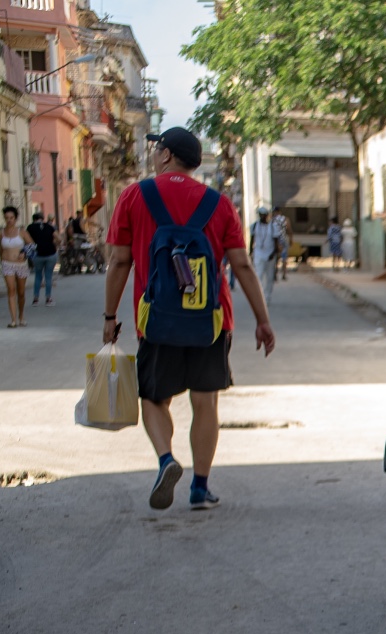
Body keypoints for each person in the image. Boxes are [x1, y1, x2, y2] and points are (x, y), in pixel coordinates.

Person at [102, 127, 276, 512]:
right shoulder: (219, 203)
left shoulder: (135, 195)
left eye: (156, 149)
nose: (153, 156)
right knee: (205, 402)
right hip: (210, 320)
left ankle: (166, 459)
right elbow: (242, 265)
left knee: (153, 397)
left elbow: (118, 261)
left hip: (156, 319)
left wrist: (111, 316)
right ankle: (200, 487)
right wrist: (262, 320)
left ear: (165, 155)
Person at [0, 207, 29, 327]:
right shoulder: (1, 233)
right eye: (7, 218)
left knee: (21, 292)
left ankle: (21, 316)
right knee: (11, 290)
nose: (9, 220)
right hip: (7, 264)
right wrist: (1, 260)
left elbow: (32, 245)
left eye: (11, 218)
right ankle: (13, 320)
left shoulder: (22, 232)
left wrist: (24, 253)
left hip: (21, 265)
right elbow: (1, 248)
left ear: (15, 218)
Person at [27, 210, 59, 305]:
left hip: (37, 255)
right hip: (50, 254)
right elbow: (59, 238)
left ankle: (35, 299)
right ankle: (48, 298)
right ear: (43, 219)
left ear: (33, 219)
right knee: (48, 276)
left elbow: (27, 241)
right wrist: (55, 244)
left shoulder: (30, 227)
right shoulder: (49, 226)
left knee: (38, 276)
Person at [249, 206, 279, 303]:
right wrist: (251, 253)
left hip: (270, 254)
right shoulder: (254, 226)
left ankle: (267, 296)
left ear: (267, 215)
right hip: (258, 253)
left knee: (269, 277)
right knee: (258, 275)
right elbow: (252, 240)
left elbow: (276, 242)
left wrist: (274, 254)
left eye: (263, 215)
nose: (262, 217)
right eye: (260, 215)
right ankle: (259, 297)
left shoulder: (273, 227)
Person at [271, 210, 290, 279]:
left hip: (275, 240)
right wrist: (291, 238)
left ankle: (275, 274)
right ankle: (284, 274)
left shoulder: (272, 219)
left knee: (276, 257)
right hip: (283, 240)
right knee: (284, 258)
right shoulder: (285, 219)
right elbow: (289, 229)